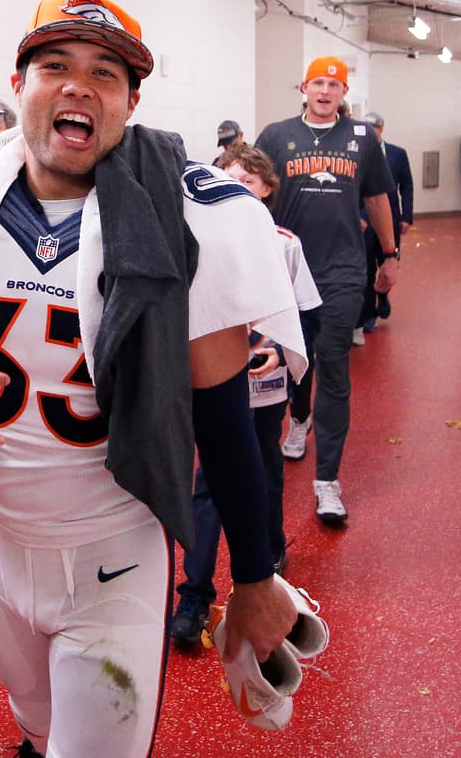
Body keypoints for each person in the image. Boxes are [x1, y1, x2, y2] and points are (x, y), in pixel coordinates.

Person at [0, 0, 304, 758]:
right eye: (55, 64)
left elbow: (223, 417)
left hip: (113, 557)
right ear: (20, 81)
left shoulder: (192, 214)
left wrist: (254, 576)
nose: (77, 85)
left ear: (131, 101)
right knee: (40, 735)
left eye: (104, 72)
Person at [170, 144, 322, 646]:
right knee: (207, 484)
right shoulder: (194, 237)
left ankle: (264, 564)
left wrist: (282, 351)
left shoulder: (282, 243)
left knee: (264, 473)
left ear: (267, 191)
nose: (239, 186)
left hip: (266, 388)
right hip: (214, 386)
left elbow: (303, 314)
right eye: (228, 177)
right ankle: (193, 593)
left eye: (249, 180)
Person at [256, 56, 397, 522]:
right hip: (287, 270)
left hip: (342, 271)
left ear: (343, 92)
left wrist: (390, 255)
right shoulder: (276, 136)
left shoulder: (360, 140)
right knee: (296, 360)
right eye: (318, 82)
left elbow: (378, 197)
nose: (324, 90)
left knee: (334, 364)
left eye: (334, 84)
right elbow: (251, 194)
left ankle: (328, 482)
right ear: (303, 87)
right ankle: (298, 421)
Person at [358, 111, 413, 335]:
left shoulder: (398, 154)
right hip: (365, 221)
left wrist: (406, 216)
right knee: (368, 266)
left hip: (391, 219)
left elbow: (406, 186)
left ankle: (383, 295)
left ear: (381, 129)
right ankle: (370, 313)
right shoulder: (357, 154)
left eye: (374, 129)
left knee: (388, 261)